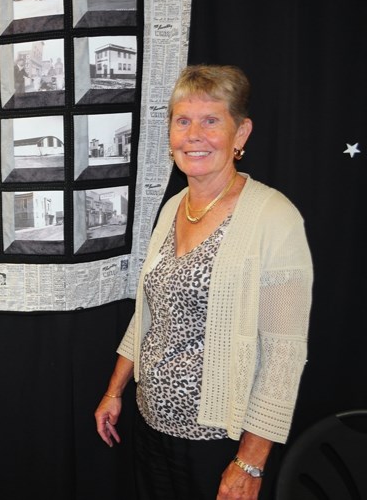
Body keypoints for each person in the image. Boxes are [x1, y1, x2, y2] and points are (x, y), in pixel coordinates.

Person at [94, 64, 313, 500]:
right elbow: (150, 315)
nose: (193, 134)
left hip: (220, 443)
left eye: (211, 120)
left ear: (241, 134)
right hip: (151, 427)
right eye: (182, 120)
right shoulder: (174, 207)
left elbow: (284, 356)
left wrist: (250, 462)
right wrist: (114, 390)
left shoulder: (274, 217)